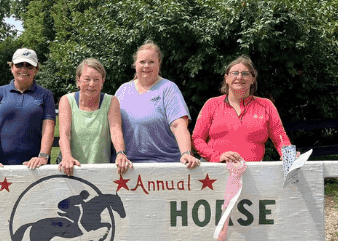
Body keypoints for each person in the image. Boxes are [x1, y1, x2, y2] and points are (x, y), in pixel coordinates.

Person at [114, 41, 199, 173]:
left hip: (164, 165)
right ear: (135, 65)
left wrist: (186, 153)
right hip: (127, 166)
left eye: (151, 62)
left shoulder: (168, 88)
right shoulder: (122, 90)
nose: (146, 66)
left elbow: (179, 125)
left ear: (159, 64)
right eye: (142, 62)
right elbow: (114, 127)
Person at [192, 56, 292, 164]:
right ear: (226, 78)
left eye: (245, 73)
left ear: (253, 79)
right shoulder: (212, 104)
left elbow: (280, 138)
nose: (239, 77)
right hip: (215, 172)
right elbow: (197, 139)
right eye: (234, 73)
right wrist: (216, 157)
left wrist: (289, 155)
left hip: (253, 173)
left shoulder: (266, 105)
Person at [0, 48, 56, 170]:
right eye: (19, 65)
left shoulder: (45, 95)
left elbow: (49, 128)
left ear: (36, 69)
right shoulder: (0, 92)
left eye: (29, 66)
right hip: (0, 166)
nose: (24, 69)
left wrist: (43, 157)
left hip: (35, 167)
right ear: (12, 67)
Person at [58, 58, 117, 175]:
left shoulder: (111, 101)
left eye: (96, 79)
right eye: (87, 79)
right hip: (70, 169)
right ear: (78, 80)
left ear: (102, 81)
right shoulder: (66, 100)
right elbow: (64, 134)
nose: (92, 84)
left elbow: (116, 131)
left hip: (102, 170)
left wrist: (121, 153)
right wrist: (67, 157)